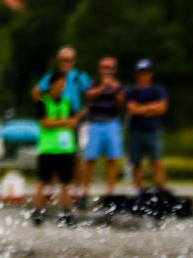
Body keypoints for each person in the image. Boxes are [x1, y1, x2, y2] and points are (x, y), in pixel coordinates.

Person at [32, 72, 79, 226]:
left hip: (65, 149)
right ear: (52, 84)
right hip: (48, 148)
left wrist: (61, 122)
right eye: (59, 83)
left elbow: (73, 122)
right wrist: (63, 121)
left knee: (65, 183)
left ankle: (66, 212)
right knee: (42, 181)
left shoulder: (67, 102)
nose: (61, 86)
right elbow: (45, 123)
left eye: (63, 84)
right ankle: (37, 212)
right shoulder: (42, 102)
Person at [80, 56, 124, 206]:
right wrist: (103, 87)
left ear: (114, 69)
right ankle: (84, 193)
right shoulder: (94, 82)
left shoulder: (117, 84)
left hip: (112, 123)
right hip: (95, 123)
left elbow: (121, 102)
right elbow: (89, 95)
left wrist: (115, 87)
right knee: (90, 159)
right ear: (100, 69)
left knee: (112, 159)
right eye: (104, 67)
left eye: (109, 67)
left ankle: (109, 193)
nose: (107, 70)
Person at [124, 59, 169, 192]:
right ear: (136, 75)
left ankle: (160, 188)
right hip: (135, 131)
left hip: (152, 131)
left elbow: (162, 107)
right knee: (136, 163)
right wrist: (151, 108)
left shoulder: (158, 89)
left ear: (150, 74)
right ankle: (138, 190)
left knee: (156, 161)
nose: (143, 76)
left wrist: (141, 109)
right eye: (140, 73)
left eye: (145, 73)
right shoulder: (131, 91)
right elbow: (131, 109)